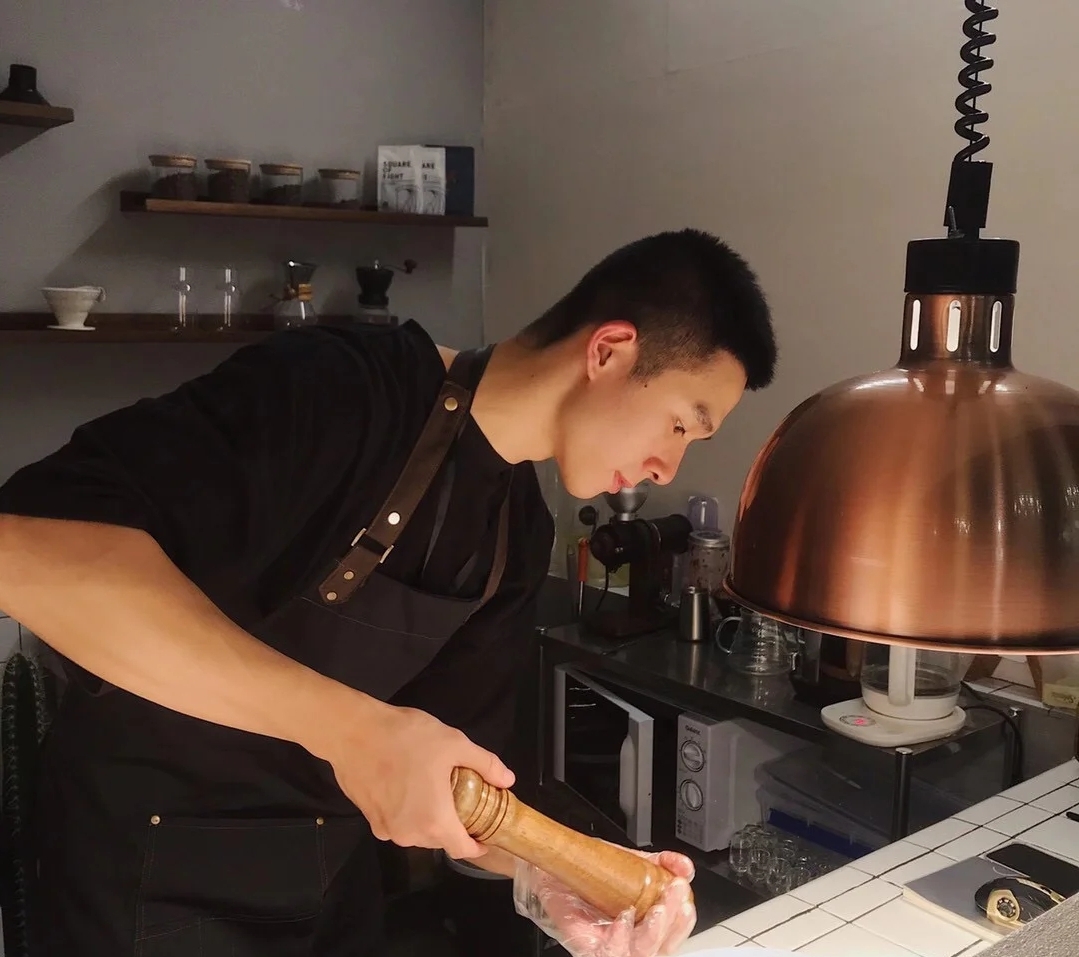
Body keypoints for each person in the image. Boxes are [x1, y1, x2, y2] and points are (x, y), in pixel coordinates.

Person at [0, 227, 776, 957]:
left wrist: (554, 875)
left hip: (325, 891)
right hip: (144, 883)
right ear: (608, 350)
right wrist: (353, 729)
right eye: (681, 424)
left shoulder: (516, 530)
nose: (667, 467)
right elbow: (23, 550)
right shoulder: (340, 386)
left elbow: (467, 789)